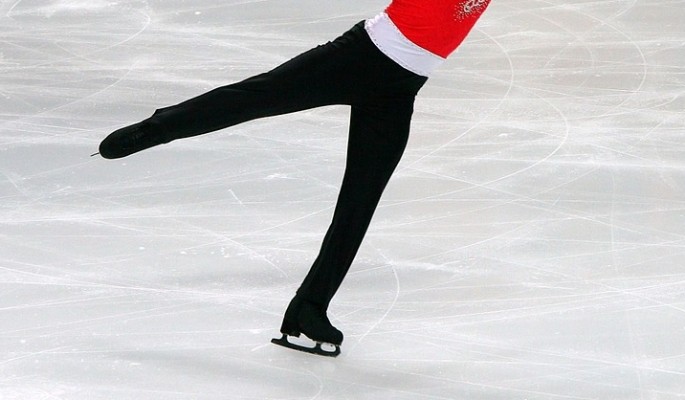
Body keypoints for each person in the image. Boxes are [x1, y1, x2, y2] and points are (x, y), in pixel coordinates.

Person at [98, 0, 492, 356]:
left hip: (400, 91)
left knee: (360, 203)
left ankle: (310, 307)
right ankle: (157, 128)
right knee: (259, 96)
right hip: (358, 57)